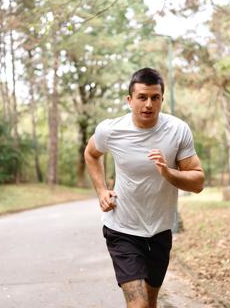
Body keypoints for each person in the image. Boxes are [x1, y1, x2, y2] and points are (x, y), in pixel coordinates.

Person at [84, 67, 204, 308]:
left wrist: (168, 172)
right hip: (122, 228)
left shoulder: (177, 130)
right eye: (142, 97)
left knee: (150, 302)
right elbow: (91, 154)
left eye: (154, 97)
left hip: (159, 231)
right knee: (138, 304)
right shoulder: (111, 129)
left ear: (162, 99)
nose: (148, 104)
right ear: (129, 100)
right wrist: (101, 191)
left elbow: (198, 181)